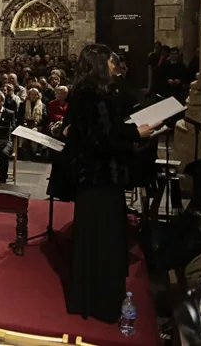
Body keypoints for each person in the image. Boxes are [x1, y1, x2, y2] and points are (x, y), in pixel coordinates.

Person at [64, 44, 159, 323]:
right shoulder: (91, 95)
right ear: (97, 64)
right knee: (101, 241)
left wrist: (132, 131)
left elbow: (103, 132)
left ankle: (100, 297)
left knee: (103, 238)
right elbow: (101, 139)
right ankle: (99, 302)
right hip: (99, 177)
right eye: (108, 61)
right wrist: (136, 133)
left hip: (101, 176)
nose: (112, 66)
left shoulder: (96, 92)